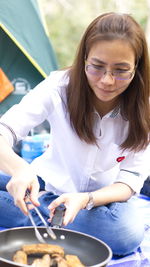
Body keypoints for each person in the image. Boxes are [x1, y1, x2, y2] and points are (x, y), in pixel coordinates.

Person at [0, 12, 149, 256]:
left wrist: (85, 199)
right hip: (44, 186)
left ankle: (36, 214)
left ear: (137, 68)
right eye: (97, 67)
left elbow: (129, 182)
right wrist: (19, 169)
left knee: (125, 233)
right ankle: (53, 215)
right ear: (84, 60)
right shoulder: (59, 87)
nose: (107, 81)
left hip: (102, 203)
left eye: (121, 70)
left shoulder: (145, 107)